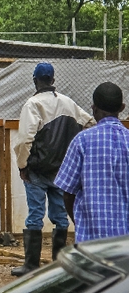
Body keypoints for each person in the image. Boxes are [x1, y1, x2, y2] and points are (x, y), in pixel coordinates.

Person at [11, 62, 95, 277]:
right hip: (61, 171)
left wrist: (23, 166)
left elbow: (25, 140)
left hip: (37, 170)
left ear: (35, 80)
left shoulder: (33, 104)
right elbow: (90, 122)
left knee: (35, 215)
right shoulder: (68, 103)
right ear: (54, 80)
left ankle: (31, 265)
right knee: (60, 216)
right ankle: (59, 265)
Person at [55, 82, 129, 243]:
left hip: (91, 242)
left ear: (93, 108)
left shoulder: (82, 141)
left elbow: (68, 194)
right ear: (122, 107)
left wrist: (80, 223)